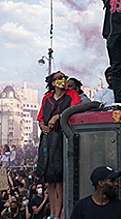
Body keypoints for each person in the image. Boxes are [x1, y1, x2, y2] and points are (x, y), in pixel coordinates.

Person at [36, 71, 81, 219]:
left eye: (64, 77)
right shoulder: (46, 98)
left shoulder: (72, 94)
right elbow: (41, 118)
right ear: (54, 83)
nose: (63, 80)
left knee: (60, 181)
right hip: (48, 140)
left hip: (64, 139)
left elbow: (76, 111)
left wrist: (58, 117)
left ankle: (57, 215)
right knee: (50, 181)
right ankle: (52, 215)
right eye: (60, 78)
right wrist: (43, 126)